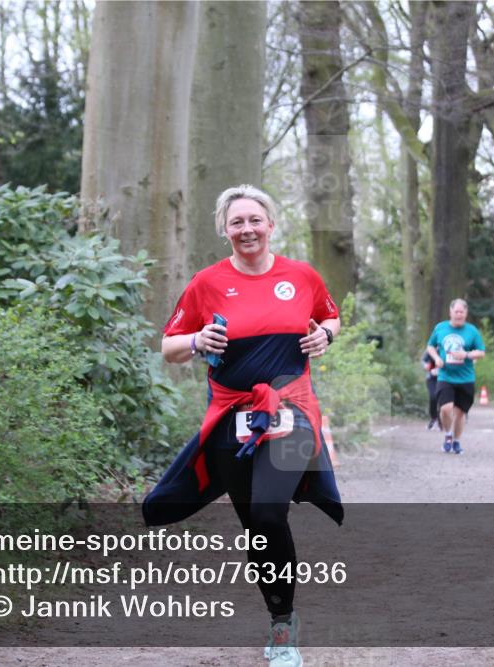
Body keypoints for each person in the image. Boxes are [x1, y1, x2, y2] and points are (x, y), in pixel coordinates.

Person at [142, 184, 341, 667]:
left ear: (271, 224)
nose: (247, 229)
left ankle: (282, 630)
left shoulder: (302, 276)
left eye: (255, 220)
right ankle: (280, 614)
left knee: (270, 514)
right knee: (256, 526)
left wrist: (324, 337)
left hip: (291, 411)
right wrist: (196, 338)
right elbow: (168, 347)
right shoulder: (206, 282)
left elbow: (331, 318)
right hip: (233, 418)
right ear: (224, 230)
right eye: (237, 222)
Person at [426, 299, 485, 454]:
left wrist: (466, 354)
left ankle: (457, 442)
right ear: (450, 312)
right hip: (445, 376)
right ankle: (448, 435)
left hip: (466, 378)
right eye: (456, 311)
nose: (459, 314)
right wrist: (437, 358)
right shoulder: (440, 328)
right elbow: (430, 346)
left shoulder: (472, 331)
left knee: (459, 414)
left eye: (462, 312)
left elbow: (481, 352)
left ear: (465, 314)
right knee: (445, 409)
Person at [421, 350, 439, 429]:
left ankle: (441, 420)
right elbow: (423, 361)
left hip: (444, 378)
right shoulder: (430, 350)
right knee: (433, 397)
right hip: (431, 378)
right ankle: (434, 418)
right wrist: (426, 366)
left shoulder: (447, 348)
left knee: (443, 399)